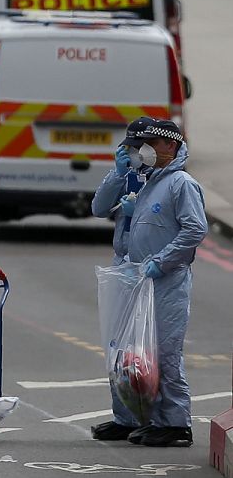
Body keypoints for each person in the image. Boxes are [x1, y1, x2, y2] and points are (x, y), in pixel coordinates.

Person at [97, 119, 207, 447]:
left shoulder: (181, 183)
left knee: (164, 353)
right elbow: (100, 208)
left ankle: (175, 424)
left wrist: (162, 261)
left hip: (167, 281)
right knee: (130, 352)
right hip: (137, 278)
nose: (143, 151)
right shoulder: (149, 181)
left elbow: (195, 229)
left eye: (150, 144)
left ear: (170, 146)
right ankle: (135, 416)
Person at [90, 117, 157, 441]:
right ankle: (125, 415)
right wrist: (117, 174)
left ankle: (154, 417)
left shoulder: (164, 179)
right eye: (129, 148)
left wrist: (138, 209)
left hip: (151, 268)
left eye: (138, 148)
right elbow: (99, 207)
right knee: (118, 347)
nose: (133, 153)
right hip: (123, 264)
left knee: (147, 348)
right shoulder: (126, 174)